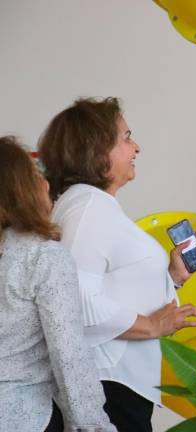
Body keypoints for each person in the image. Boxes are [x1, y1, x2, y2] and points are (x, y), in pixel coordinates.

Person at [38, 97, 196, 431]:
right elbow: (71, 298)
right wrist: (151, 326)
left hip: (118, 384)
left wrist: (173, 277)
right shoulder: (88, 208)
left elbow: (111, 288)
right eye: (126, 137)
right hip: (107, 386)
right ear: (96, 150)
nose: (136, 147)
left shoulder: (93, 206)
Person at [0, 136, 115, 432]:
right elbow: (69, 355)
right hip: (25, 415)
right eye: (36, 173)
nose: (46, 183)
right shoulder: (41, 256)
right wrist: (96, 426)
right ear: (22, 189)